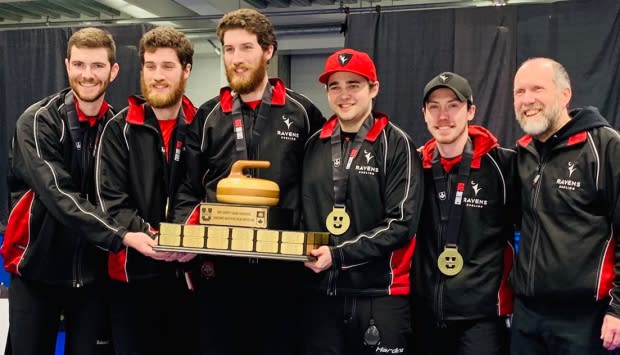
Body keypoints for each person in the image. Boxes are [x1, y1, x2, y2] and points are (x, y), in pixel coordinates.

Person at [0, 27, 165, 355]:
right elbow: (58, 192)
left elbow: (128, 195)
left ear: (114, 71)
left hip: (93, 277)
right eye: (79, 65)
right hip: (36, 271)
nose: (87, 75)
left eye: (97, 66)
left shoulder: (119, 129)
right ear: (66, 65)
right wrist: (121, 235)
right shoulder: (37, 122)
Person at [172, 8, 325, 355]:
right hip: (221, 271)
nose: (236, 59)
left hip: (283, 272)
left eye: (245, 48)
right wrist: (186, 237)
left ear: (268, 51)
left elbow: (317, 189)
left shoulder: (302, 114)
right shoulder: (208, 117)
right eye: (228, 49)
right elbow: (188, 188)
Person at [300, 48, 423, 355]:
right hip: (320, 297)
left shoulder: (397, 144)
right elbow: (302, 213)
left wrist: (338, 255)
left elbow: (401, 224)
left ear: (374, 88)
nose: (344, 95)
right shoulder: (314, 145)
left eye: (353, 84)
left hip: (379, 295)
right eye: (335, 86)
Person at [95, 26, 199, 355]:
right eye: (150, 66)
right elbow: (110, 199)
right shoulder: (119, 128)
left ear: (186, 70)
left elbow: (203, 192)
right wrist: (154, 238)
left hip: (189, 278)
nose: (157, 75)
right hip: (131, 278)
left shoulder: (203, 126)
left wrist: (185, 237)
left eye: (167, 66)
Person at [510, 57, 620, 354]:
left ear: (565, 94)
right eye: (519, 92)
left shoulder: (605, 147)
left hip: (584, 320)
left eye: (537, 89)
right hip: (527, 316)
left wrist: (618, 309)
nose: (527, 100)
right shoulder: (523, 154)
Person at [410, 71, 516, 355]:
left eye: (453, 105)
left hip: (481, 317)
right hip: (423, 314)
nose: (443, 115)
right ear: (424, 113)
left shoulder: (504, 166)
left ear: (471, 111)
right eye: (434, 106)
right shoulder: (414, 166)